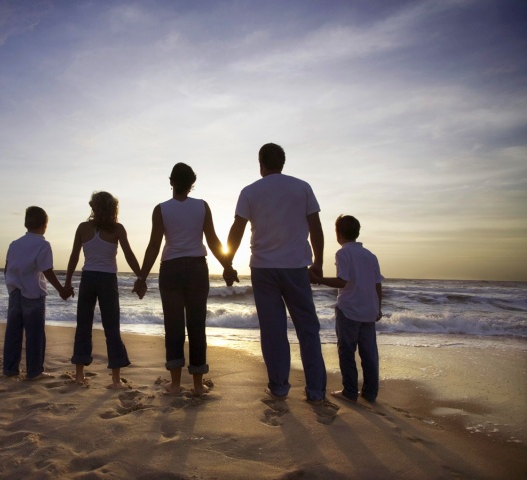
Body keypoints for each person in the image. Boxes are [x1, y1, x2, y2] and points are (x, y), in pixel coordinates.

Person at [223, 143, 332, 405]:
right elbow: (315, 227)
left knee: (273, 330)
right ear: (282, 163)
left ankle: (279, 387)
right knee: (307, 328)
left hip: (263, 268)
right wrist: (318, 262)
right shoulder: (302, 187)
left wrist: (228, 263)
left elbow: (237, 229)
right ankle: (316, 391)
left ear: (261, 163)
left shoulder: (250, 191)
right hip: (296, 267)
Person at [134, 163, 231, 396]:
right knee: (197, 326)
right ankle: (197, 385)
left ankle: (176, 384)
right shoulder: (202, 206)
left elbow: (154, 245)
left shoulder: (161, 209)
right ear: (191, 184)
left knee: (174, 326)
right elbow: (213, 240)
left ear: (171, 182)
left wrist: (142, 277)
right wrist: (227, 266)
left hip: (171, 268)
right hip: (197, 268)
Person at [65, 192, 143, 389]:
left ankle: (79, 375)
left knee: (83, 325)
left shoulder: (83, 228)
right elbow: (129, 255)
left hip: (88, 278)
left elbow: (74, 257)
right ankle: (116, 379)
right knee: (111, 327)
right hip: (107, 280)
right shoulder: (117, 229)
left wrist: (67, 282)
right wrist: (141, 277)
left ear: (94, 207)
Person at [310, 215, 384, 403]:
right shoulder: (370, 255)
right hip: (368, 310)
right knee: (369, 354)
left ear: (338, 233)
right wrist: (378, 307)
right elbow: (377, 285)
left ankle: (350, 391)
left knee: (346, 351)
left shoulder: (343, 253)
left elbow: (342, 280)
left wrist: (318, 279)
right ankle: (370, 392)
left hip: (349, 309)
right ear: (357, 232)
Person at [3, 206, 73, 380]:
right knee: (35, 334)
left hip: (15, 292)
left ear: (26, 223)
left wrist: (11, 286)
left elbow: (7, 268)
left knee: (13, 332)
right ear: (44, 225)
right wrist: (61, 290)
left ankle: (10, 368)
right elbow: (47, 270)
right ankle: (34, 371)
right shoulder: (43, 244)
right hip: (33, 293)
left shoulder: (14, 244)